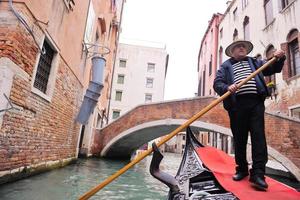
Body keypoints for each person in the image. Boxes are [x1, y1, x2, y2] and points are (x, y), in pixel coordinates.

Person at [213, 40, 285, 190]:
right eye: (239, 47)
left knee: (259, 138)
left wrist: (279, 58)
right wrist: (227, 87)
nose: (242, 48)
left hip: (256, 104)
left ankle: (258, 174)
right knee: (240, 139)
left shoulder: (254, 62)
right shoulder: (226, 66)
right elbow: (217, 83)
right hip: (237, 106)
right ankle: (242, 169)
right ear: (232, 51)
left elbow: (273, 68)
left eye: (244, 46)